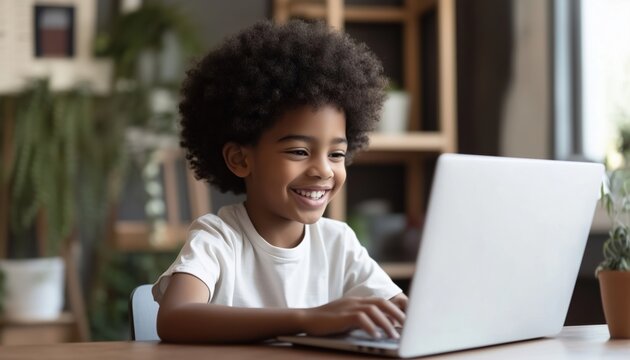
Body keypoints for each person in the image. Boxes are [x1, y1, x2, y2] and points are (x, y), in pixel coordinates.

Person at [153, 19, 408, 343]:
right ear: (240, 159)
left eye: (336, 154)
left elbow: (395, 309)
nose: (324, 171)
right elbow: (174, 318)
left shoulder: (338, 243)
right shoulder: (218, 239)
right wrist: (306, 319)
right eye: (300, 151)